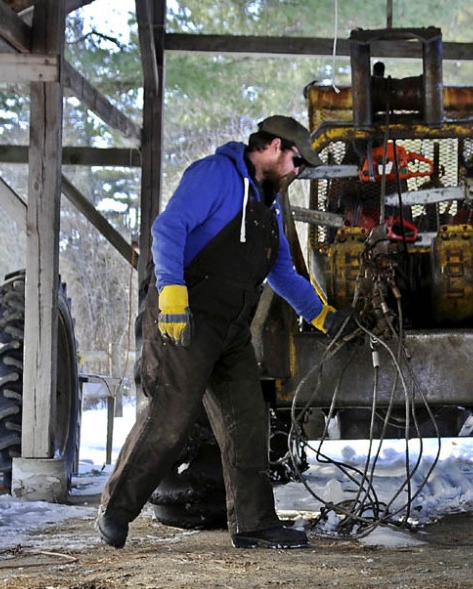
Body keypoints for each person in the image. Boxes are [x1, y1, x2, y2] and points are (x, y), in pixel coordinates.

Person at [96, 115, 351, 551]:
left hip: (230, 329)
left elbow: (282, 273)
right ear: (273, 147)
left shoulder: (267, 205)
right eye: (295, 161)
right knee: (171, 418)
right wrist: (172, 295)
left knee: (246, 423)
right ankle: (114, 511)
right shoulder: (216, 176)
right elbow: (167, 230)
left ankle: (254, 524)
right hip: (186, 318)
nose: (297, 172)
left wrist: (324, 316)